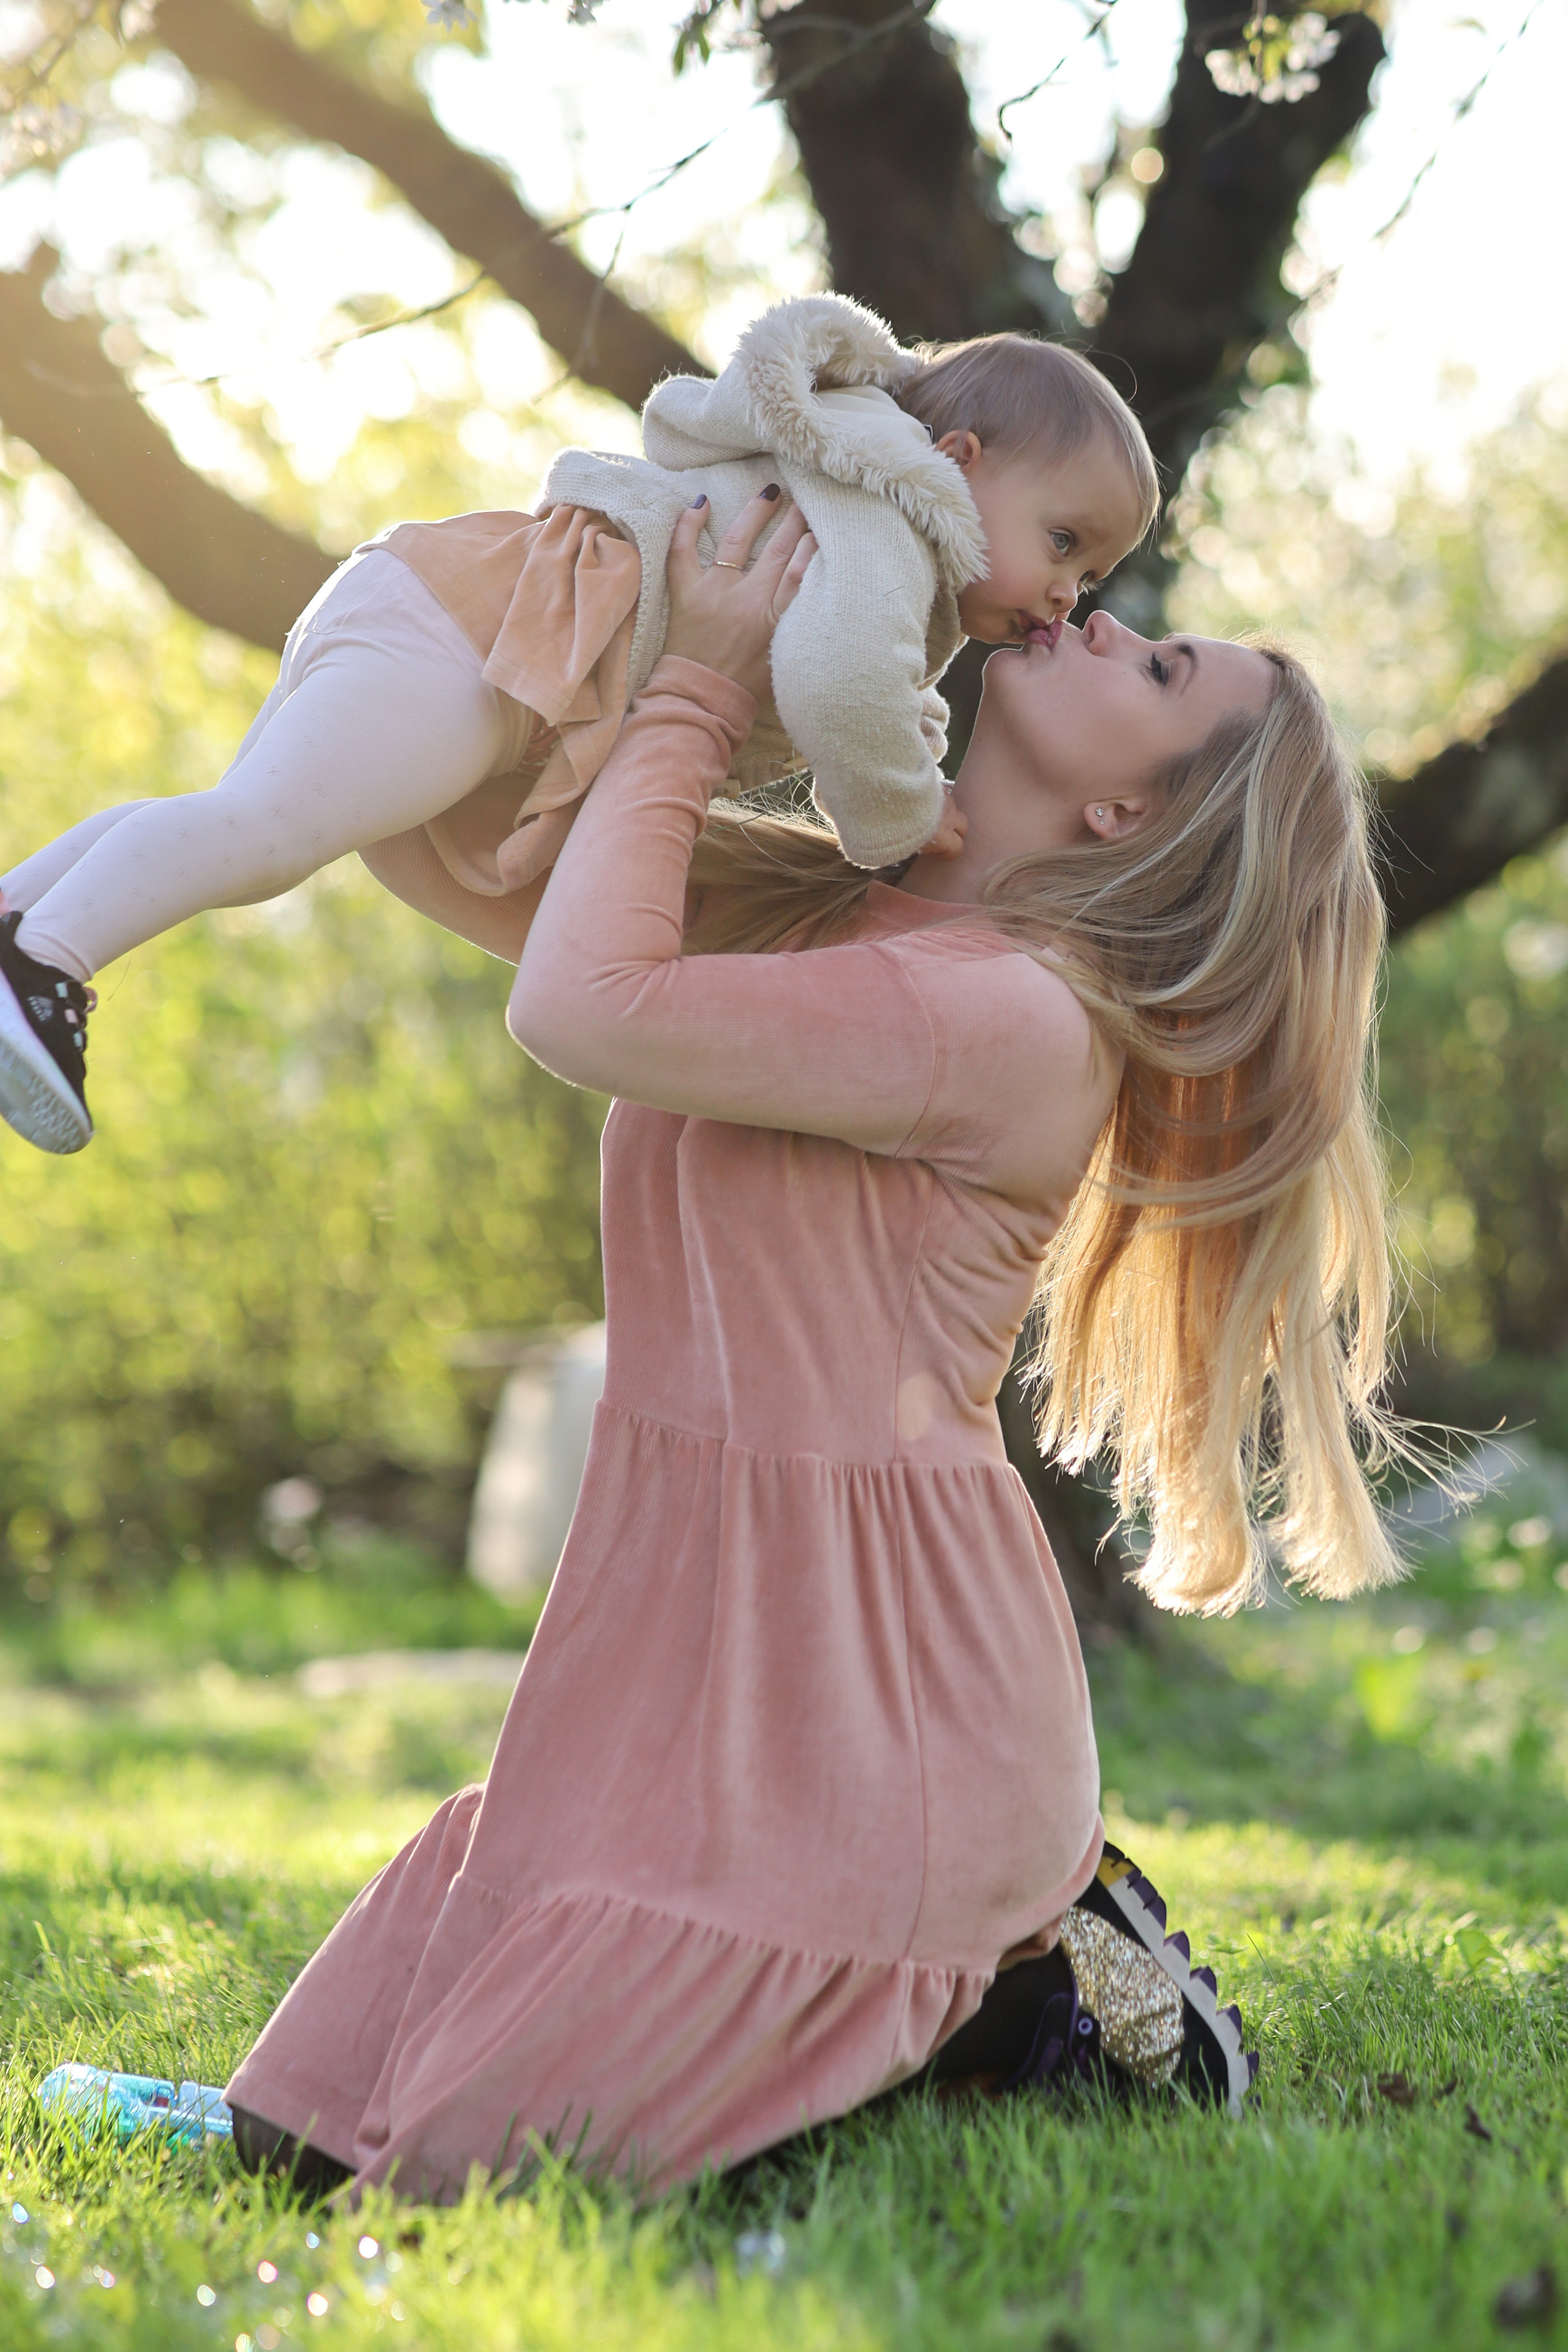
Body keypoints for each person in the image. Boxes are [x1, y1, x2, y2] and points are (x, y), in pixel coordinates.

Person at [222, 486, 1402, 2203]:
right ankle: (994, 1989)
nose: (1097, 614)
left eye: (1155, 663)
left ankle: (1034, 1990)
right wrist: (602, 609)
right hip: (673, 1674)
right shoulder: (853, 910)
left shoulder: (1006, 1018)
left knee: (462, 2183)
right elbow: (457, 857)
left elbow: (577, 1009)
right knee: (298, 2154)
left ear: (1128, 799)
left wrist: (696, 692)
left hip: (878, 1714)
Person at [0, 296, 1157, 1155]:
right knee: (258, 836)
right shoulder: (893, 520)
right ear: (960, 462)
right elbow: (841, 686)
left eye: (1094, 572)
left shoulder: (865, 506)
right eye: (1064, 543)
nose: (1072, 595)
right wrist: (907, 812)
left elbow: (859, 670)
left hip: (454, 601)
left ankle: (17, 915)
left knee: (242, 821)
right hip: (484, 634)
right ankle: (47, 965)